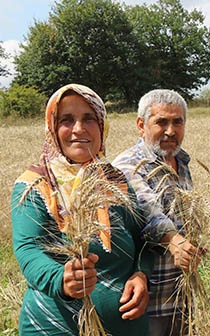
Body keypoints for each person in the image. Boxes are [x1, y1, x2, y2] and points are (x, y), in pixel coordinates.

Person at [11, 84, 152, 335]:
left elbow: (143, 238)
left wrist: (141, 275)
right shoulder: (35, 185)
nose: (79, 129)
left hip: (124, 325)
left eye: (89, 119)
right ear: (52, 127)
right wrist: (60, 280)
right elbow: (28, 249)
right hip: (54, 325)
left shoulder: (115, 180)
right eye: (67, 120)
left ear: (102, 126)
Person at [112, 89, 202, 336]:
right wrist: (174, 240)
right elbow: (147, 210)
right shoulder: (127, 165)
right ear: (141, 125)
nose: (170, 131)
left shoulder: (180, 162)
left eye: (177, 122)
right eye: (161, 122)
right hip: (146, 297)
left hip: (180, 293)